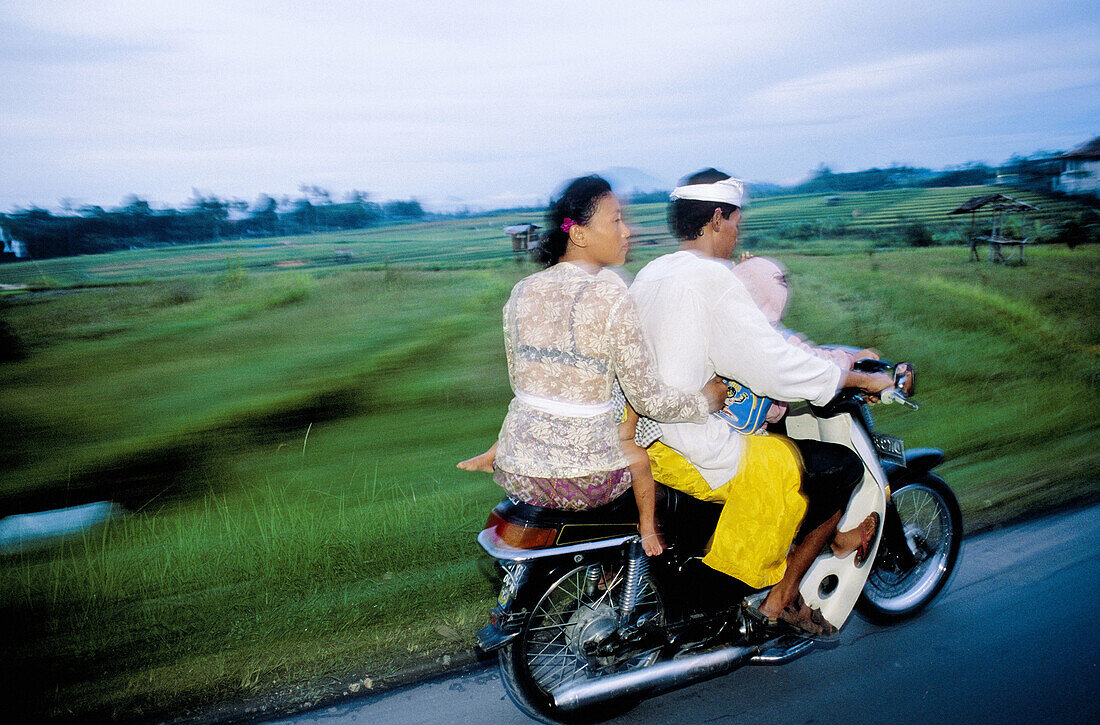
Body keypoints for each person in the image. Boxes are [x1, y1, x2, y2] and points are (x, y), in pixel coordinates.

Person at [629, 168, 893, 635]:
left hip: (650, 438)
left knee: (791, 454)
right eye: (735, 220)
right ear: (716, 218)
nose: (737, 232)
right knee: (838, 468)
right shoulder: (713, 278)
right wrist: (850, 376)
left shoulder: (653, 272)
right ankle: (778, 600)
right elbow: (770, 363)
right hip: (697, 443)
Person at [460, 175, 727, 555]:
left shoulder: (522, 290)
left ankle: (609, 571)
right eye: (616, 220)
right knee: (645, 459)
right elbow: (649, 399)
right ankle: (649, 537)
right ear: (581, 235)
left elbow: (527, 386)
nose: (627, 230)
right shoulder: (610, 291)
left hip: (518, 470)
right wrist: (705, 400)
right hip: (583, 478)